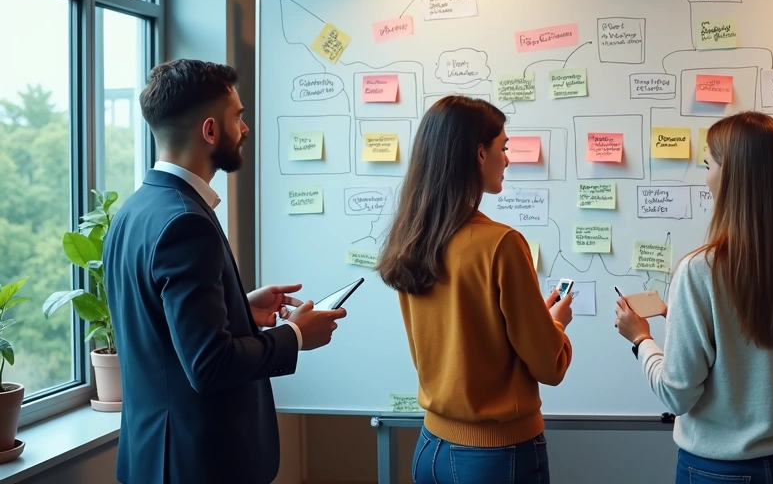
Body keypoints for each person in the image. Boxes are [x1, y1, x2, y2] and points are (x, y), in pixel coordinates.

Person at [105, 59, 347, 484]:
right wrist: (295, 335)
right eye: (238, 116)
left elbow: (160, 330)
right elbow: (209, 365)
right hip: (197, 464)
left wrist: (239, 306)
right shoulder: (186, 222)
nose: (246, 128)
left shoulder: (134, 211)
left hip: (155, 457)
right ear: (210, 131)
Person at [613, 111, 773, 484]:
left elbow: (677, 396)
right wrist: (687, 325)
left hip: (718, 470)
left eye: (708, 165)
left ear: (732, 175)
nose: (706, 179)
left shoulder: (699, 270)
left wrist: (641, 340)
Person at [377, 95, 574, 484]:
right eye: (503, 148)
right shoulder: (501, 244)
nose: (508, 158)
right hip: (496, 457)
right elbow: (549, 366)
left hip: (430, 449)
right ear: (479, 154)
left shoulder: (411, 239)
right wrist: (556, 324)